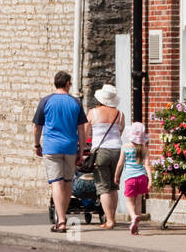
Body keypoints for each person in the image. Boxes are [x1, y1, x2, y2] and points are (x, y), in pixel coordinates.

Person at [33, 70, 88, 232]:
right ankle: (62, 216)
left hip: (51, 147)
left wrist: (37, 145)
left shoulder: (45, 101)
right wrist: (81, 150)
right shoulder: (75, 103)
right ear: (67, 84)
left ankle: (61, 220)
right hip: (70, 147)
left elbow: (37, 126)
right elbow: (82, 129)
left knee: (56, 183)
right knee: (68, 182)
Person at [86, 85, 125, 229]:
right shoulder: (120, 114)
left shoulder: (93, 112)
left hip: (101, 151)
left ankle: (109, 220)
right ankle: (112, 216)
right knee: (114, 186)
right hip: (117, 150)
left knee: (103, 187)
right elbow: (119, 132)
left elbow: (85, 133)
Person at [114, 123, 151, 235]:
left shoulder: (125, 147)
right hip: (142, 178)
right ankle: (136, 226)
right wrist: (150, 180)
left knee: (129, 202)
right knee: (138, 202)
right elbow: (147, 165)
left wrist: (116, 176)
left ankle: (133, 217)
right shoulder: (145, 149)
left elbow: (120, 164)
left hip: (130, 178)